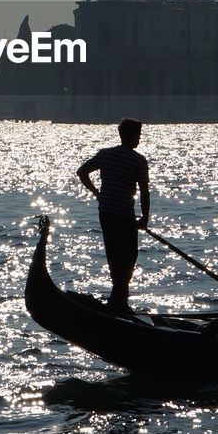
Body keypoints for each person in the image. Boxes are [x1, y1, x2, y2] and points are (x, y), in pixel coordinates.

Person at [77, 118, 151, 312]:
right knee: (128, 256)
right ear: (130, 136)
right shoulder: (138, 160)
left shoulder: (105, 155)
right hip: (125, 214)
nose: (139, 138)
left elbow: (82, 172)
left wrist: (97, 194)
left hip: (107, 212)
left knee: (115, 254)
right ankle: (120, 301)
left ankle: (117, 299)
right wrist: (145, 217)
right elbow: (144, 190)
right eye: (138, 135)